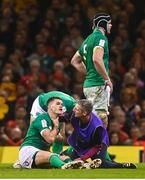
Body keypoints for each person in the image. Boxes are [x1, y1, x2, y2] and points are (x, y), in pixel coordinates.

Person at [63, 99, 137, 169]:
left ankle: (123, 165)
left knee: (101, 164)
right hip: (82, 140)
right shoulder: (74, 114)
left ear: (84, 113)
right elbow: (63, 118)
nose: (73, 110)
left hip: (98, 144)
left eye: (77, 109)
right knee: (68, 159)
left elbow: (96, 147)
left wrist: (82, 158)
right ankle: (85, 164)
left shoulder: (97, 127)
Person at [15, 97, 84, 169]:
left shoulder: (58, 121)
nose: (61, 106)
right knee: (52, 156)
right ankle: (64, 166)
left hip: (41, 154)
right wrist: (56, 127)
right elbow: (50, 139)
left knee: (65, 157)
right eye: (58, 104)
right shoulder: (42, 118)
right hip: (28, 151)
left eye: (62, 104)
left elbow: (58, 140)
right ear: (50, 107)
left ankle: (78, 166)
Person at [71, 12, 113, 128]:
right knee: (100, 118)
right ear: (103, 24)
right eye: (109, 23)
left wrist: (89, 72)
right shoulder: (101, 38)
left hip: (88, 85)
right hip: (98, 84)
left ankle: (89, 144)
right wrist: (107, 79)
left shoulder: (87, 40)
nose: (111, 26)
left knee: (91, 117)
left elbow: (74, 61)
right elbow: (96, 59)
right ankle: (96, 145)